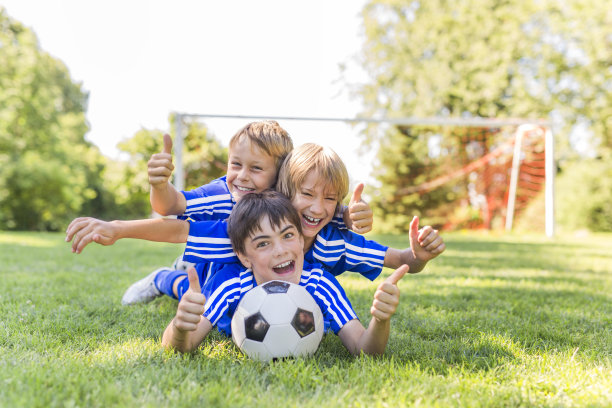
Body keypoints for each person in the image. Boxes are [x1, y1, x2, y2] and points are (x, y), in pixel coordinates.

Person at [66, 124, 374, 304]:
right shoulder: (223, 195)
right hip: (217, 259)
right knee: (200, 294)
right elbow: (169, 209)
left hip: (260, 263)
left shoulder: (290, 200)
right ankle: (163, 278)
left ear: (280, 177)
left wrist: (351, 217)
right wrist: (157, 186)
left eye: (256, 168)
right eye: (235, 164)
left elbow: (327, 210)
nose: (241, 176)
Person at [162, 190, 409, 356]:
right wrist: (180, 328)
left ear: (302, 240)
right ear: (244, 256)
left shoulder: (320, 283)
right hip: (209, 276)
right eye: (263, 243)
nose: (280, 251)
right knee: (186, 291)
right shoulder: (229, 284)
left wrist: (380, 321)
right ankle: (163, 278)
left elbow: (363, 349)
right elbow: (180, 345)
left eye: (288, 236)